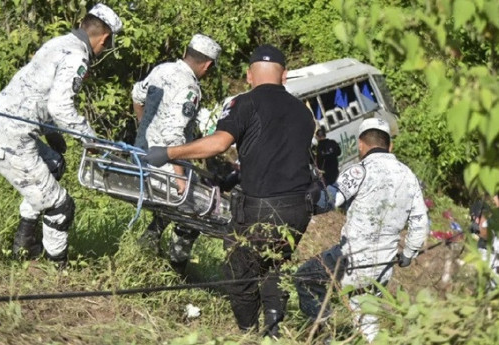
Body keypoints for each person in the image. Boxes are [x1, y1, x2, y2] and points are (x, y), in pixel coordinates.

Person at [143, 44, 316, 337]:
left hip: (261, 207)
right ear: (284, 76)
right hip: (299, 208)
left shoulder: (244, 103)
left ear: (249, 76)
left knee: (239, 274)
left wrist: (170, 153)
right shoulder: (304, 113)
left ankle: (248, 335)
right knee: (273, 262)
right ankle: (273, 334)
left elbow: (219, 143)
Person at [0, 4, 123, 267]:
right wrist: (90, 140)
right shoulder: (77, 57)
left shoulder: (58, 43)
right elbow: (60, 106)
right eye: (109, 43)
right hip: (12, 139)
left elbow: (38, 93)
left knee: (54, 165)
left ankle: (24, 243)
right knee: (62, 206)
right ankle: (57, 266)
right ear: (104, 38)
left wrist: (53, 133)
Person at [295, 117, 430, 343]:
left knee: (306, 277)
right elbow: (420, 221)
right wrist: (408, 254)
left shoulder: (359, 171)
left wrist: (303, 201)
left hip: (351, 259)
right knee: (366, 317)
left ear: (360, 144)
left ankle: (327, 336)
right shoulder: (409, 176)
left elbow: (330, 200)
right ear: (390, 145)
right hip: (384, 263)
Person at [132, 34, 221, 274]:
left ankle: (148, 244)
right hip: (165, 164)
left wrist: (144, 131)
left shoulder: (163, 69)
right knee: (196, 211)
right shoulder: (189, 88)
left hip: (141, 155)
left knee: (173, 206)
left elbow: (136, 96)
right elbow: (174, 136)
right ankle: (176, 268)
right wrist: (180, 178)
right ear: (208, 65)